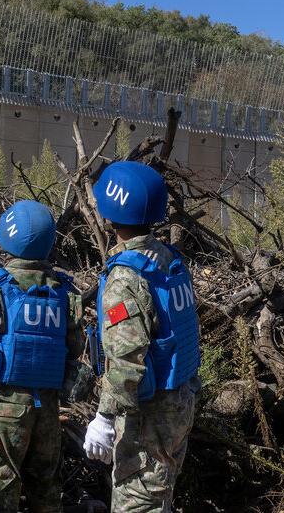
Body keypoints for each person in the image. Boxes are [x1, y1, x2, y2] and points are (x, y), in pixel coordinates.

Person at [83, 161, 201, 513]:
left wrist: (105, 417)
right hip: (180, 400)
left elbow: (126, 358)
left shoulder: (126, 276)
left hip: (148, 416)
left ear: (111, 213)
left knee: (139, 502)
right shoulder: (167, 260)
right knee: (159, 497)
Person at [0, 200, 84, 513]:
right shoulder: (64, 290)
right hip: (47, 405)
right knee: (46, 485)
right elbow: (75, 348)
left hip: (4, 405)